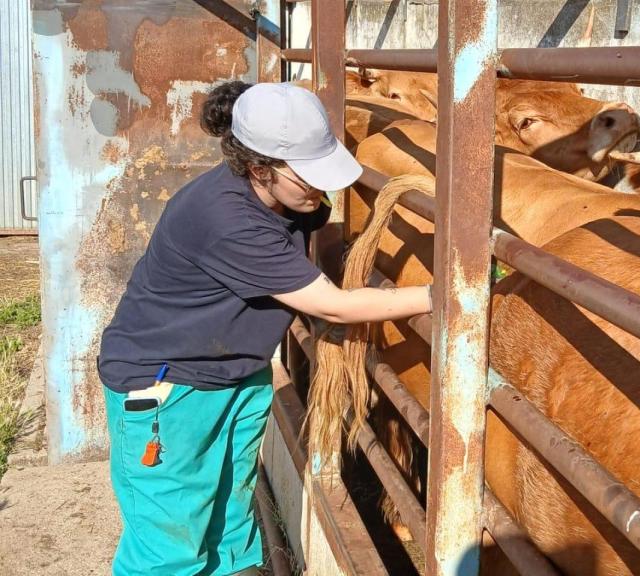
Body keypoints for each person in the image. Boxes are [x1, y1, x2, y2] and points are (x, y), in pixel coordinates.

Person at [96, 81, 431, 576]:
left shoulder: (288, 199)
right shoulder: (224, 218)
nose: (321, 189)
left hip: (238, 373)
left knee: (230, 523)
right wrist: (441, 296)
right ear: (259, 168)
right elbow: (334, 306)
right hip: (170, 389)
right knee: (170, 546)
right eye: (308, 176)